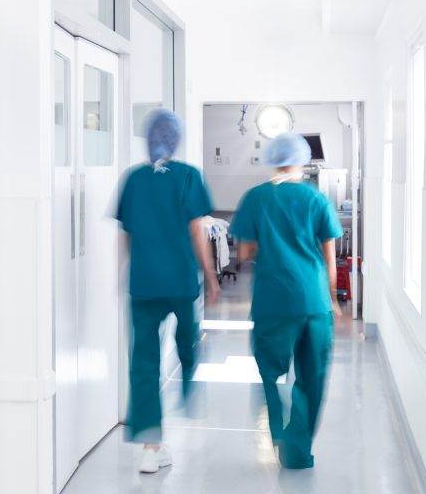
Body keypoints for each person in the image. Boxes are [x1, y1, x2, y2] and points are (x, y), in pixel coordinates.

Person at [116, 109, 220, 474]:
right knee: (189, 340)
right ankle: (188, 390)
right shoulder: (189, 176)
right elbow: (196, 232)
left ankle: (150, 445)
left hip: (143, 283)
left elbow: (125, 235)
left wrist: (123, 274)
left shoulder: (132, 179)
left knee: (143, 362)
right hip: (179, 281)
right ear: (176, 140)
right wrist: (210, 276)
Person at [231, 132, 343, 469]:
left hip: (273, 301)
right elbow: (329, 257)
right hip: (313, 302)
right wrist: (334, 300)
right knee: (311, 378)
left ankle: (279, 432)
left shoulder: (255, 198)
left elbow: (246, 250)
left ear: (272, 160)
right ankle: (297, 452)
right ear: (301, 160)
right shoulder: (316, 199)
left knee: (272, 373)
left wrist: (273, 244)